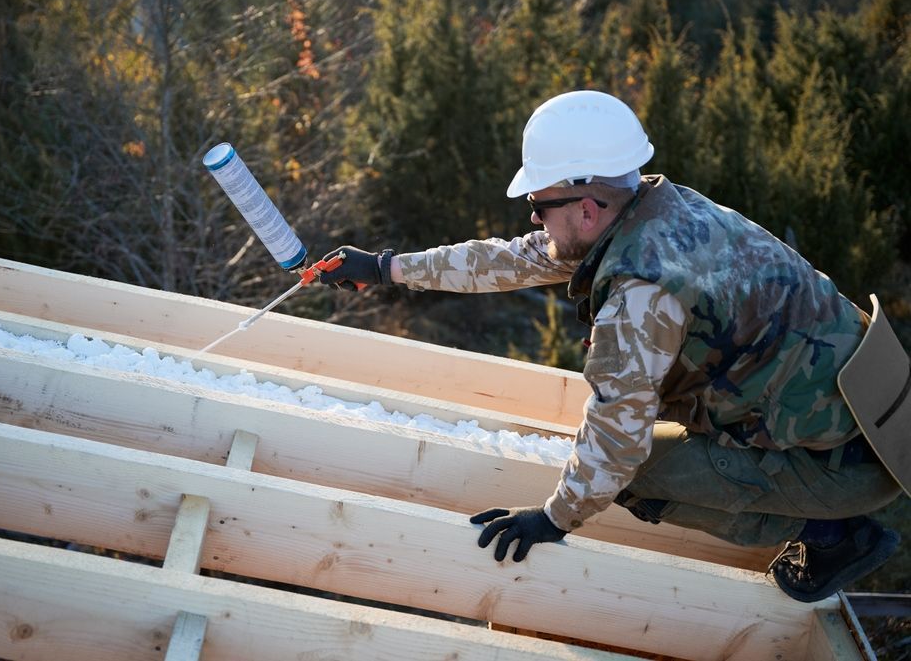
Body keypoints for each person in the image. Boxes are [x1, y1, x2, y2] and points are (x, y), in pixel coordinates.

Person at [318, 90, 905, 603]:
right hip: (868, 416)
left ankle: (836, 536)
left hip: (843, 465)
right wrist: (388, 268)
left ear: (587, 208)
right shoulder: (661, 209)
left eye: (539, 207)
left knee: (631, 476)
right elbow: (511, 258)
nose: (536, 221)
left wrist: (553, 518)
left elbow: (613, 446)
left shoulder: (639, 298)